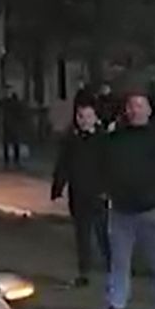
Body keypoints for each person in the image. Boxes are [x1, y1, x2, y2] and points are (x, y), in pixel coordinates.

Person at [99, 92, 155, 309]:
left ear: (149, 110)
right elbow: (104, 167)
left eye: (140, 106)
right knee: (119, 260)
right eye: (131, 106)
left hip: (153, 209)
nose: (135, 110)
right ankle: (117, 302)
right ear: (126, 110)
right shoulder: (115, 139)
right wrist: (109, 191)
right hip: (121, 210)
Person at [51, 103, 110, 287]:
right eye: (80, 116)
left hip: (99, 195)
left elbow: (111, 166)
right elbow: (63, 164)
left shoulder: (104, 140)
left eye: (88, 116)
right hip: (78, 194)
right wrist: (57, 188)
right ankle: (84, 272)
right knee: (82, 235)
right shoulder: (71, 140)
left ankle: (113, 267)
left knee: (103, 233)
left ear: (95, 118)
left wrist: (109, 190)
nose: (84, 121)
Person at [0, 89, 26, 169]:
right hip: (14, 126)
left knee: (6, 144)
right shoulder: (17, 106)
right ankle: (15, 160)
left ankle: (7, 161)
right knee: (15, 144)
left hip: (7, 126)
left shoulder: (6, 106)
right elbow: (21, 116)